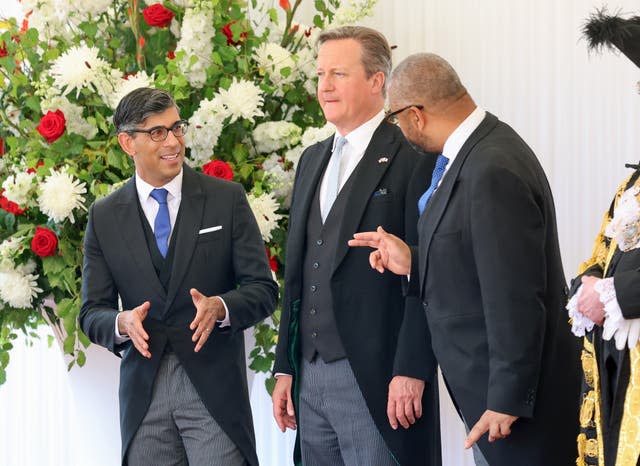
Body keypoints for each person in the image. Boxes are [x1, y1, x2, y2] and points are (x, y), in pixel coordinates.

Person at [349, 52, 581, 465]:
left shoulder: (492, 166)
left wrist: (507, 399)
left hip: (516, 411)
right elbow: (483, 262)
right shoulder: (476, 152)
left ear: (415, 115)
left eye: (395, 119)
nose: (398, 130)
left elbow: (517, 293)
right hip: (492, 401)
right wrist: (414, 261)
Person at [79, 87, 278, 466]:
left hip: (214, 392)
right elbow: (91, 312)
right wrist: (121, 322)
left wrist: (221, 306)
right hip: (143, 396)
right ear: (127, 143)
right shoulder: (103, 216)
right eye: (157, 133)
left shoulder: (226, 198)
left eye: (177, 128)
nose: (173, 142)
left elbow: (263, 289)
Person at [271, 26, 441, 466]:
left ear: (376, 82)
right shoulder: (311, 160)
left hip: (379, 377)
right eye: (320, 74)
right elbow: (298, 272)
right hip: (309, 376)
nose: (323, 86)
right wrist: (285, 366)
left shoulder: (413, 156)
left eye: (338, 74)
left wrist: (412, 368)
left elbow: (430, 272)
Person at [567, 10, 640, 466]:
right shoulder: (633, 184)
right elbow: (603, 253)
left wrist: (615, 294)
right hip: (620, 369)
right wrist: (587, 287)